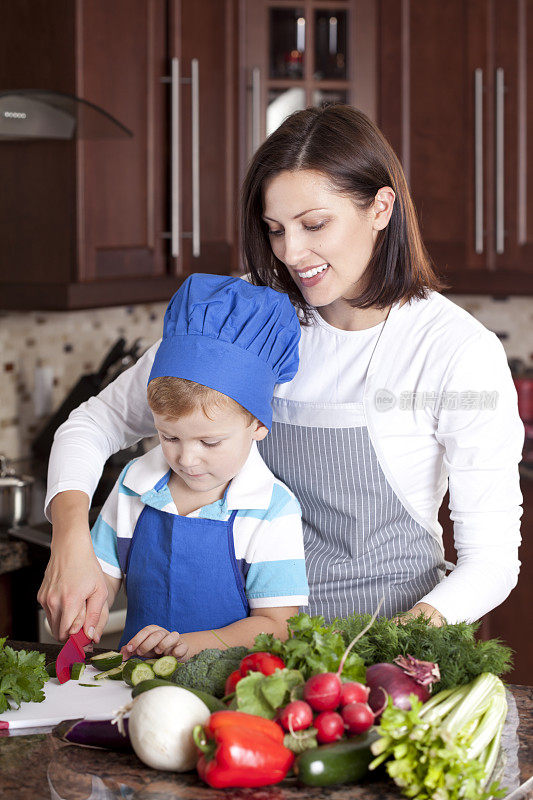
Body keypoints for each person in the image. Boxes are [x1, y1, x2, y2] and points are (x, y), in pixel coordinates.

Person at [39, 105, 523, 645]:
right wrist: (70, 542)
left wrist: (395, 644)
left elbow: (492, 561)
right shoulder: (241, 321)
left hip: (378, 659)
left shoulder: (455, 350)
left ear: (381, 207)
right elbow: (92, 424)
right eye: (275, 230)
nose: (291, 252)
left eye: (315, 225)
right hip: (243, 661)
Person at [67, 273, 308, 658]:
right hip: (138, 684)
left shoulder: (272, 511)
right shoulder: (134, 485)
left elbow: (277, 626)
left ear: (258, 425)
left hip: (230, 696)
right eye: (169, 437)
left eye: (210, 442)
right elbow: (100, 581)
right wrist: (80, 619)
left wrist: (189, 645)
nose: (186, 459)